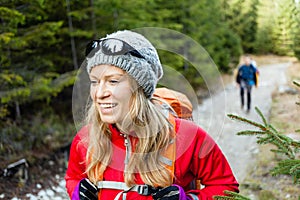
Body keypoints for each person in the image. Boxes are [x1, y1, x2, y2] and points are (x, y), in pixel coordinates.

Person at [65, 30, 239, 199]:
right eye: (95, 82)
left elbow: (226, 188)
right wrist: (77, 192)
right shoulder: (86, 139)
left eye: (113, 81)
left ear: (140, 87)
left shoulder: (186, 136)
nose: (99, 93)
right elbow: (73, 178)